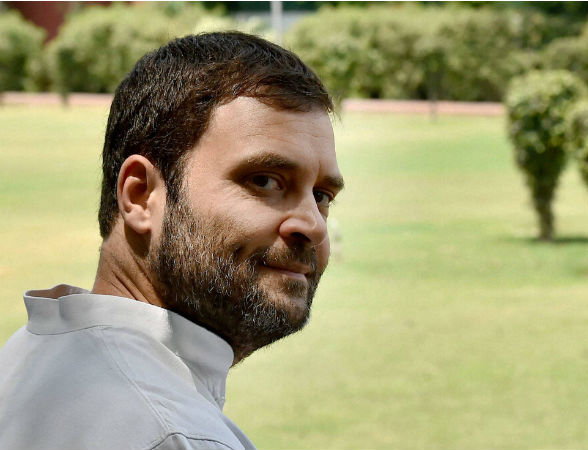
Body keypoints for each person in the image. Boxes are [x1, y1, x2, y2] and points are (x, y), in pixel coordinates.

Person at [0, 31, 344, 450]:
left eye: (322, 196)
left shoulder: (28, 360)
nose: (313, 225)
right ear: (140, 195)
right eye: (264, 180)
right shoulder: (174, 436)